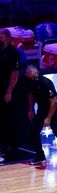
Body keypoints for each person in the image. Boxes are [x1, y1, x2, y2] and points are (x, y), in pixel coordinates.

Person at [24, 64, 57, 166]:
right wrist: (31, 109)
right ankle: (40, 156)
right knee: (33, 131)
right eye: (30, 78)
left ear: (37, 73)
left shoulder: (45, 82)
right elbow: (31, 95)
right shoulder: (29, 82)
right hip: (42, 109)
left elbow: (54, 102)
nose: (33, 79)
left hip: (54, 109)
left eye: (34, 77)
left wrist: (48, 118)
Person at [0, 28, 22, 162]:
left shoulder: (13, 52)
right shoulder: (1, 50)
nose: (0, 38)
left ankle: (11, 148)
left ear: (8, 37)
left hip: (7, 90)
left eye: (1, 36)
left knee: (8, 119)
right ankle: (2, 147)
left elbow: (15, 74)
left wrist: (9, 92)